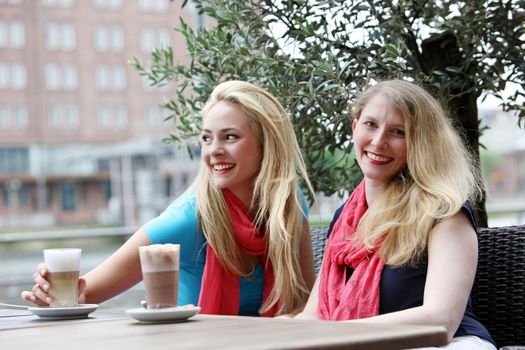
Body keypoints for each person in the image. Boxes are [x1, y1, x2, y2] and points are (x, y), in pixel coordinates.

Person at [21, 80, 315, 317]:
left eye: (230, 137)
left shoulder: (288, 204)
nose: (213, 150)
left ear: (266, 145)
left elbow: (304, 300)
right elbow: (85, 291)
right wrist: (54, 292)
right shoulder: (190, 218)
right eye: (206, 138)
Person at [296, 80, 496, 349]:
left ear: (420, 141)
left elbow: (441, 320)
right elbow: (313, 315)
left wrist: (339, 333)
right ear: (355, 128)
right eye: (370, 125)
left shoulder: (444, 212)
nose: (378, 142)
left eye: (398, 132)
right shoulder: (346, 217)